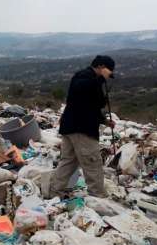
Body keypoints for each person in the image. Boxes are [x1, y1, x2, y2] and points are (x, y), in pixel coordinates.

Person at [50, 55, 116, 198]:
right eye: (107, 71)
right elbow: (82, 90)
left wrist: (104, 121)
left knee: (69, 161)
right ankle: (98, 195)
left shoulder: (91, 79)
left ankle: (55, 191)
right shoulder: (84, 77)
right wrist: (100, 79)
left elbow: (90, 105)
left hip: (72, 127)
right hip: (81, 129)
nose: (107, 75)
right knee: (92, 162)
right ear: (101, 66)